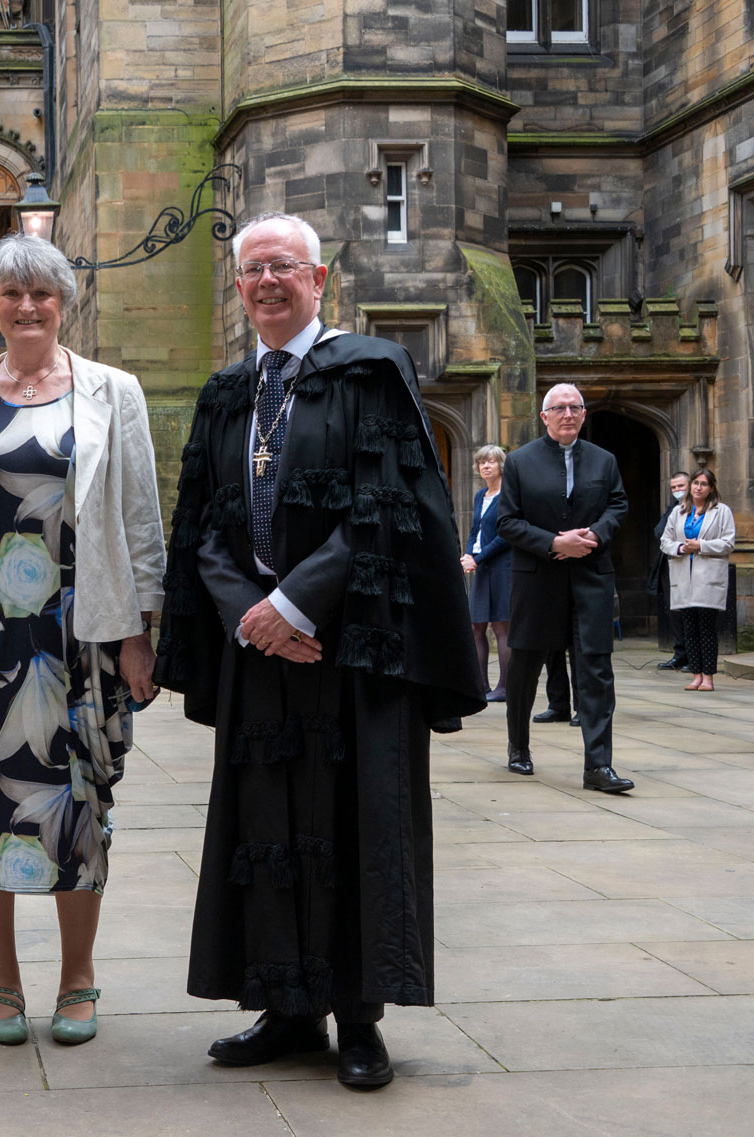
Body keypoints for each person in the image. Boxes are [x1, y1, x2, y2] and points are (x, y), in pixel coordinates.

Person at [153, 212, 482, 1090]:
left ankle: (359, 1017)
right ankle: (285, 1005)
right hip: (260, 649)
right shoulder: (229, 392)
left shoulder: (372, 371)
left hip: (351, 650)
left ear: (319, 277)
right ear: (238, 285)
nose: (267, 281)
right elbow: (205, 526)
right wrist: (251, 613)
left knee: (354, 819)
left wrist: (297, 603)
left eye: (283, 267)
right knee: (267, 822)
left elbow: (392, 509)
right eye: (252, 268)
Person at [0, 234, 165, 1047]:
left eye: (42, 294)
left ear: (64, 303)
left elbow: (141, 521)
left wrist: (139, 635)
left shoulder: (113, 393)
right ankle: (3, 977)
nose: (27, 307)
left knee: (78, 804)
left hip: (76, 633)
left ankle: (78, 975)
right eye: (11, 294)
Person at [497, 383, 633, 793]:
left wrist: (592, 536)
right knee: (525, 666)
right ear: (544, 417)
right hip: (538, 581)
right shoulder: (520, 462)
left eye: (575, 407)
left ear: (584, 414)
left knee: (595, 669)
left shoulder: (604, 460)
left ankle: (598, 766)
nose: (568, 414)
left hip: (591, 578)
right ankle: (519, 748)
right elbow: (507, 522)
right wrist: (555, 543)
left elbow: (618, 505)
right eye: (559, 408)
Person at [660, 468, 735, 692]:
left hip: (708, 576)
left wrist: (701, 545)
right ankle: (695, 675)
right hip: (684, 575)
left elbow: (728, 542)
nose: (698, 487)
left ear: (711, 488)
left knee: (706, 627)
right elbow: (665, 541)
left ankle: (709, 677)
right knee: (689, 627)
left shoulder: (722, 511)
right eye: (695, 483)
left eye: (704, 484)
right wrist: (682, 547)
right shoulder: (679, 512)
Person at [461, 444, 510, 701]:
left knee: (501, 626)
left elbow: (505, 537)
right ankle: (480, 686)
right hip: (480, 565)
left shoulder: (508, 496)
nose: (485, 466)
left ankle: (504, 688)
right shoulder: (480, 495)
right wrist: (469, 555)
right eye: (482, 462)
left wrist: (477, 559)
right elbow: (474, 532)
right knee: (475, 625)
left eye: (490, 461)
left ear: (501, 466)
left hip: (502, 567)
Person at [651, 470, 692, 669]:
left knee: (692, 611)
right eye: (674, 487)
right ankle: (680, 654)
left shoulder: (704, 508)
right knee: (674, 609)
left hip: (693, 565)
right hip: (671, 563)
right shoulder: (674, 509)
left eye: (681, 486)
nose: (677, 490)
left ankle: (694, 657)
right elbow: (659, 532)